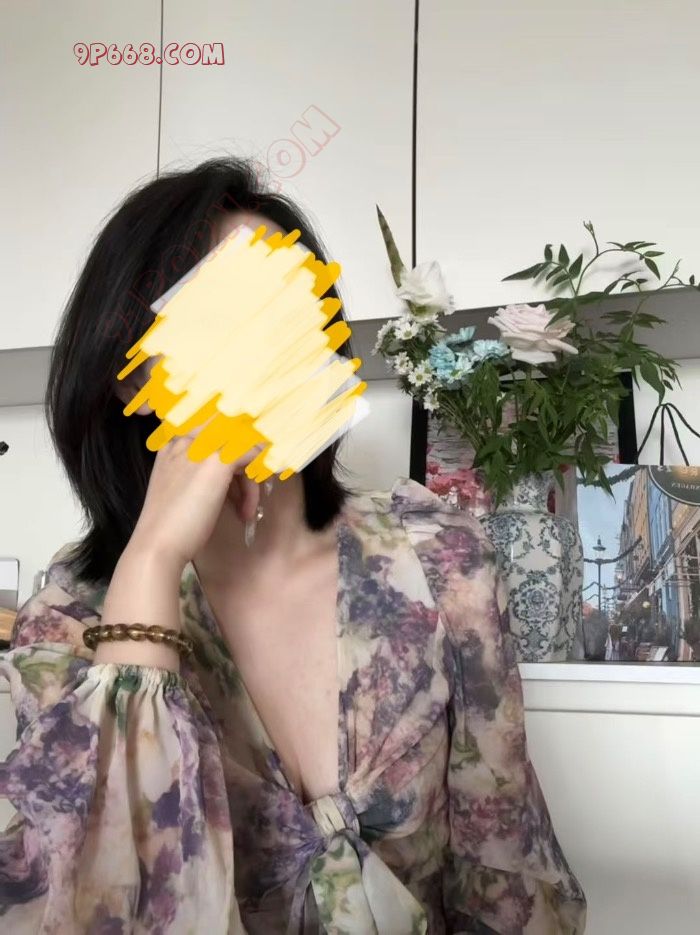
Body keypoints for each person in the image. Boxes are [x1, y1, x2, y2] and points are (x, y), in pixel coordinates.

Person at [0, 157, 586, 933]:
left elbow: (506, 874)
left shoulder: (445, 559)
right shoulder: (65, 626)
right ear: (128, 377)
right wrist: (151, 560)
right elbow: (83, 903)